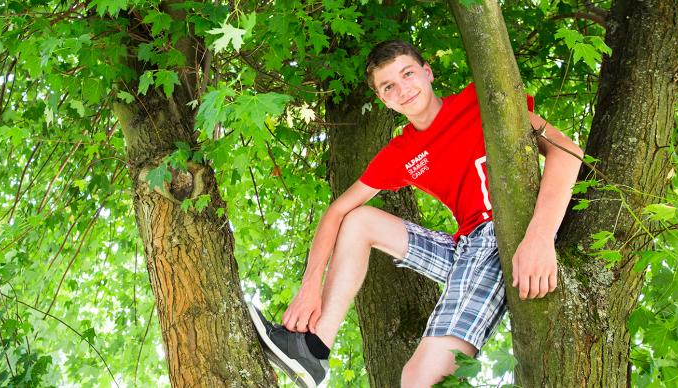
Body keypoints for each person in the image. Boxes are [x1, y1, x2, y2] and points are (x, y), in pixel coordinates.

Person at [248, 40, 583, 387]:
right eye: (388, 86)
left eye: (408, 74)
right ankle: (313, 348)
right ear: (383, 99)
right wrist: (309, 288)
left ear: (427, 72)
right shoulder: (401, 152)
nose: (402, 89)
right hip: (465, 247)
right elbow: (337, 210)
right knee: (358, 220)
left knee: (418, 377)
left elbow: (567, 152)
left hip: (502, 239)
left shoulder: (480, 101)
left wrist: (540, 238)